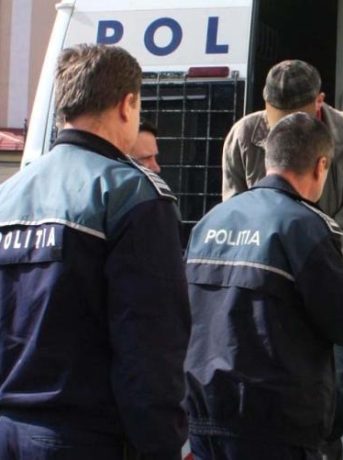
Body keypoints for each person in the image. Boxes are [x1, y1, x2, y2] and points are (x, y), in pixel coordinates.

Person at [0, 44, 190, 460]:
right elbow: (151, 348)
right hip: (85, 438)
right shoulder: (131, 194)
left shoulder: (8, 195)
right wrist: (163, 445)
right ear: (127, 104)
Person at [185, 112, 343, 460]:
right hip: (273, 426)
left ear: (269, 159)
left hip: (204, 415)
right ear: (321, 165)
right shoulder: (304, 227)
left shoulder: (211, 222)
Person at [222, 59, 343, 457]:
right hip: (266, 284)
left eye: (297, 117)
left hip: (333, 277)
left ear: (319, 102)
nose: (285, 130)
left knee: (333, 394)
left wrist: (315, 252)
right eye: (277, 120)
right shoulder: (243, 136)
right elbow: (236, 210)